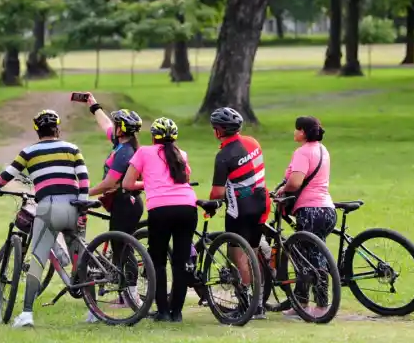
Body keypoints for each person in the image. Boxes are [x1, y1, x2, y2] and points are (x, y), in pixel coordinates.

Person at [0, 109, 90, 329]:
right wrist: (83, 207)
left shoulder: (28, 152)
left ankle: (27, 314)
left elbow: (7, 175)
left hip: (48, 208)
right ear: (57, 128)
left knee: (38, 260)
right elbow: (84, 177)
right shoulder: (72, 149)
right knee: (80, 258)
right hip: (74, 207)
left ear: (37, 131)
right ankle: (94, 311)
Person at [74, 93, 145, 318]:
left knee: (124, 248)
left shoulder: (125, 152)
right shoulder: (121, 143)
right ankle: (127, 293)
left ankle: (132, 295)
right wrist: (93, 105)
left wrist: (84, 192)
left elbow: (110, 182)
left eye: (116, 125)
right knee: (119, 247)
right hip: (123, 203)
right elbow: (105, 123)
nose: (112, 126)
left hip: (126, 203)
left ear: (121, 130)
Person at [122, 117, 197, 323]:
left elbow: (128, 183)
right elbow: (185, 180)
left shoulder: (144, 152)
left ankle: (163, 312)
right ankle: (177, 313)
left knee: (159, 262)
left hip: (161, 209)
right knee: (180, 263)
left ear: (154, 136)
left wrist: (147, 183)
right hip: (188, 207)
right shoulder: (182, 154)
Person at [208, 107, 269, 319]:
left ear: (219, 131)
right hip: (262, 202)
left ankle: (246, 304)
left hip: (239, 209)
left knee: (238, 255)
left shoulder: (223, 156)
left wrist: (211, 201)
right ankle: (259, 304)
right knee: (252, 253)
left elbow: (217, 192)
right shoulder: (253, 142)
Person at [274, 116, 335, 319]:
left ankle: (314, 305)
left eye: (296, 129)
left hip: (310, 210)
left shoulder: (302, 152)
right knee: (315, 254)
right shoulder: (322, 149)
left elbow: (295, 183)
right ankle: (309, 302)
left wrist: (283, 190)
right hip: (327, 208)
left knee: (305, 258)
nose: (294, 133)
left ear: (302, 132)